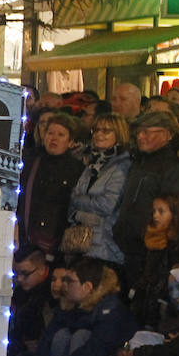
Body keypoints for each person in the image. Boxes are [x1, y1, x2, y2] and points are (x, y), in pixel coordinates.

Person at [29, 257, 135, 356]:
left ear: (87, 287)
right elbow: (48, 338)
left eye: (69, 281)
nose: (64, 286)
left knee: (81, 337)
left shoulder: (111, 309)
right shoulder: (73, 304)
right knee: (61, 336)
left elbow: (94, 351)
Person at [113, 110, 179, 296]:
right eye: (139, 132)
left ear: (167, 134)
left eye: (147, 132)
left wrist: (154, 245)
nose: (140, 137)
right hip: (128, 248)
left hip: (151, 253)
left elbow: (172, 216)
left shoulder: (173, 169)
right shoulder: (139, 162)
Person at [63, 112, 130, 267]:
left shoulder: (121, 167)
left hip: (106, 245)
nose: (99, 134)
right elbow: (74, 195)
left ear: (119, 134)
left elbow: (107, 204)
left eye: (106, 131)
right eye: (96, 130)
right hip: (82, 242)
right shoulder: (93, 163)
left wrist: (78, 205)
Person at [15, 111, 83, 258]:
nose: (54, 138)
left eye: (60, 135)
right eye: (50, 133)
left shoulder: (77, 169)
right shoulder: (29, 161)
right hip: (27, 239)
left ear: (71, 141)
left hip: (58, 242)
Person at [134, 193, 179, 328]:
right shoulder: (149, 237)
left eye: (161, 211)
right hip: (146, 297)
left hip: (165, 301)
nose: (155, 216)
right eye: (154, 211)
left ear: (175, 213)